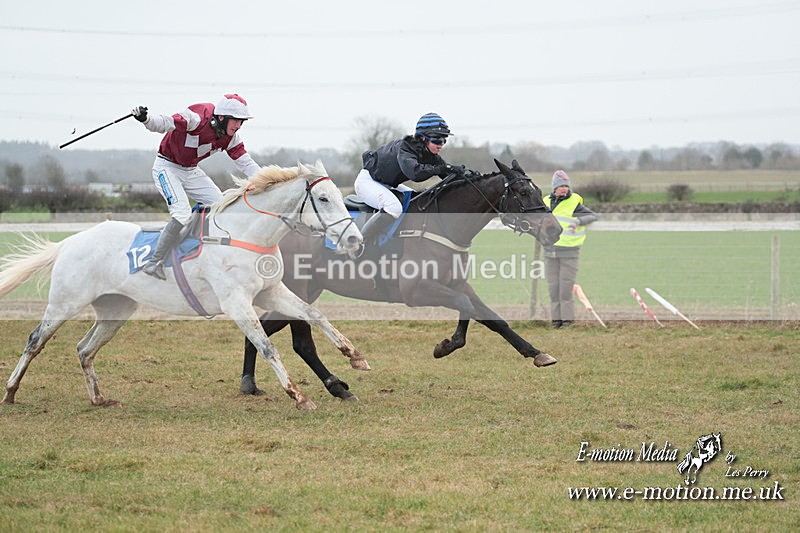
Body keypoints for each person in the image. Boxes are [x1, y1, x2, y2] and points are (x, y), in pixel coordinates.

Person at [131, 94, 262, 280]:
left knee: (221, 206)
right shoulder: (197, 117)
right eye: (236, 120)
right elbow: (165, 123)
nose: (239, 125)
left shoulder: (230, 137)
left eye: (242, 121)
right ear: (222, 117)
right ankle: (154, 262)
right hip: (166, 167)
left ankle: (200, 248)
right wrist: (146, 119)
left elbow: (246, 163)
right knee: (182, 214)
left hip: (190, 171)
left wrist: (266, 181)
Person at [355, 112, 463, 242]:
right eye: (437, 140)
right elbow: (415, 173)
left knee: (418, 200)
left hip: (387, 184)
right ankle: (360, 243)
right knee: (394, 208)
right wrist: (442, 168)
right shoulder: (405, 148)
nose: (441, 144)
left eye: (444, 140)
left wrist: (470, 177)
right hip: (368, 182)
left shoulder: (430, 154)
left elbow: (446, 173)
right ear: (423, 138)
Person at [542, 170, 598, 328]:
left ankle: (567, 321)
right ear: (554, 188)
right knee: (553, 289)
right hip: (550, 252)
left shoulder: (574, 201)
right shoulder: (545, 202)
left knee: (565, 290)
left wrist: (577, 222)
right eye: (561, 186)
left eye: (566, 186)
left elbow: (592, 216)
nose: (564, 189)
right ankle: (556, 321)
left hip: (569, 252)